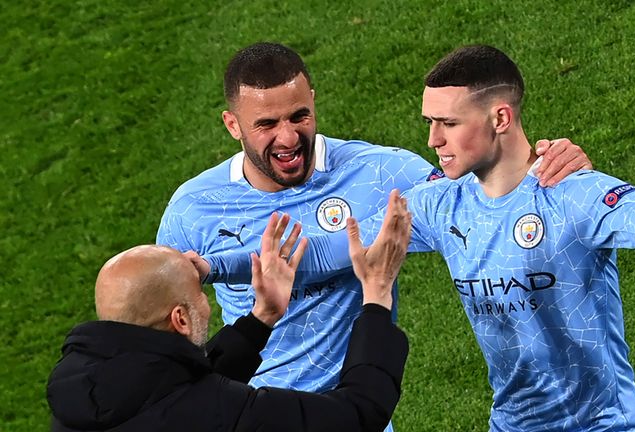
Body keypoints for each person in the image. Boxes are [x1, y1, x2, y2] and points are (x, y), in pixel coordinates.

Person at [209, 45, 635, 430]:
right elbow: (331, 248)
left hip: (602, 423)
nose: (432, 140)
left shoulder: (569, 192)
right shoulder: (439, 203)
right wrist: (212, 266)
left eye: (448, 123)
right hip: (511, 424)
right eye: (429, 122)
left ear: (500, 117)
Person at [155, 40, 592, 421]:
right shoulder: (194, 208)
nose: (288, 138)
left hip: (357, 413)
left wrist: (555, 169)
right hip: (259, 415)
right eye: (266, 125)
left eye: (299, 116)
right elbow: (155, 332)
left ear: (314, 102)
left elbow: (483, 201)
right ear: (233, 125)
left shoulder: (383, 172)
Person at [47, 191, 414, 431]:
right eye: (200, 294)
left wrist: (261, 318)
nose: (208, 302)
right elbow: (359, 414)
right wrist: (378, 294)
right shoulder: (219, 412)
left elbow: (167, 388)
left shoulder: (81, 389)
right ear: (180, 318)